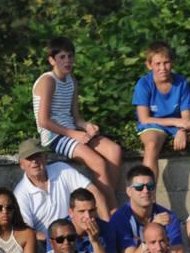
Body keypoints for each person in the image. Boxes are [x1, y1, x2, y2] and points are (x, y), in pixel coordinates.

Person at [31, 37, 122, 207]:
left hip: (72, 131)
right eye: (62, 57)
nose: (67, 61)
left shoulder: (72, 81)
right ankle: (112, 209)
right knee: (98, 162)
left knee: (114, 150)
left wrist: (87, 126)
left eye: (70, 56)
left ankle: (107, 204)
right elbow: (43, 121)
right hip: (54, 136)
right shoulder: (48, 81)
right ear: (52, 60)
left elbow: (76, 117)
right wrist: (74, 134)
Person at [132, 40, 190, 183]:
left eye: (166, 62)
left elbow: (186, 116)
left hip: (181, 125)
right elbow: (144, 119)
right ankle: (148, 193)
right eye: (157, 64)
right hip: (154, 125)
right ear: (149, 65)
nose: (162, 68)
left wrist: (182, 130)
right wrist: (176, 122)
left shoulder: (181, 82)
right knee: (151, 145)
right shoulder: (143, 84)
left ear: (172, 62)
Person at [13, 138, 106, 240]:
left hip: (76, 235)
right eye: (29, 158)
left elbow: (93, 192)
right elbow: (27, 231)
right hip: (45, 243)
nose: (34, 161)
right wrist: (55, 241)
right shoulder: (20, 193)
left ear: (45, 157)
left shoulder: (62, 169)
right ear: (21, 164)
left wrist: (108, 226)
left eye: (37, 156)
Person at [106, 165, 185, 253]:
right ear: (129, 191)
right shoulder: (120, 219)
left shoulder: (168, 216)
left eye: (150, 186)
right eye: (139, 187)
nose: (146, 191)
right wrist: (154, 227)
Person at [66, 189, 116, 253]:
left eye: (91, 211)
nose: (88, 216)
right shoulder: (58, 231)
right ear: (71, 212)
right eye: (82, 211)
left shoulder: (107, 229)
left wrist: (95, 242)